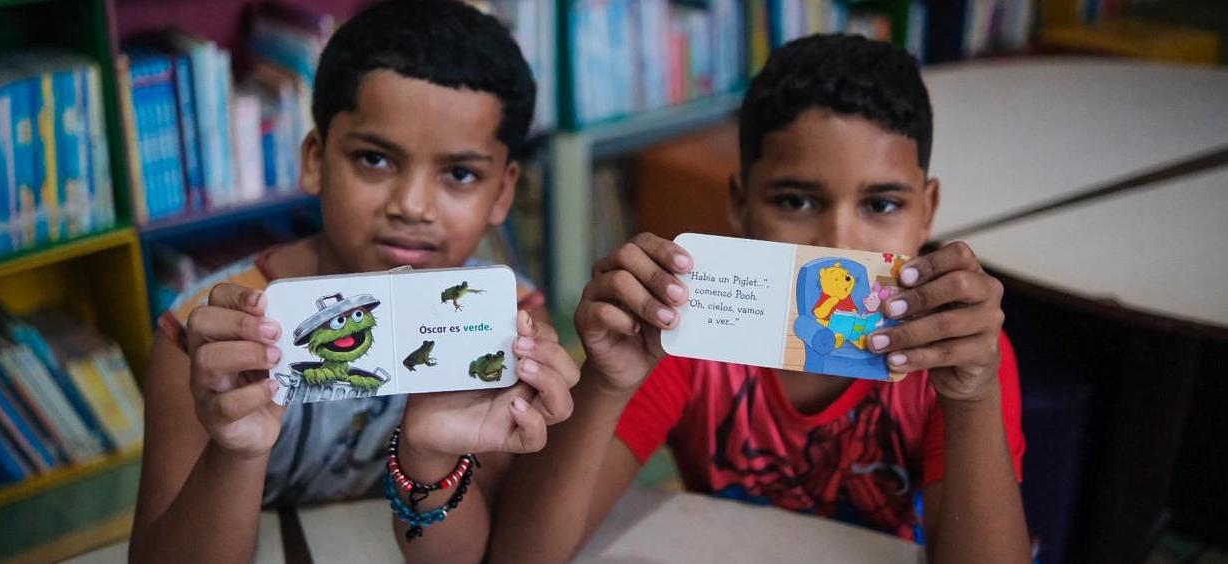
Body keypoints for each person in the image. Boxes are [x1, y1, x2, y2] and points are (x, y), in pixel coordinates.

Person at [488, 34, 1030, 563]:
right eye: (796, 200)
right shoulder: (685, 338)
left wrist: (973, 398)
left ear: (927, 211)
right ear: (741, 205)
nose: (838, 243)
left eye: (882, 206)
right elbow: (520, 555)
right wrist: (606, 384)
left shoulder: (953, 360)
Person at [128, 2, 578, 562]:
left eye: (460, 174)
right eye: (374, 159)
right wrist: (236, 452)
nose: (412, 206)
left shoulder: (507, 325)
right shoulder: (206, 336)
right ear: (315, 160)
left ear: (503, 193)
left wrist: (430, 454)